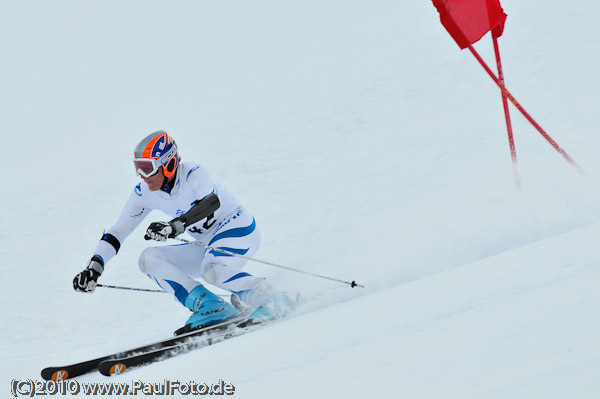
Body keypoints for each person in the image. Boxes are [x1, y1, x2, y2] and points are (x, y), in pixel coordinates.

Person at [73, 130, 283, 332]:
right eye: (138, 168)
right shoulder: (144, 192)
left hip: (238, 229)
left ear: (169, 163)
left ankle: (269, 297)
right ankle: (210, 306)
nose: (142, 175)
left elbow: (211, 203)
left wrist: (174, 226)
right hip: (206, 243)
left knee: (212, 268)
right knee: (149, 259)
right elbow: (118, 231)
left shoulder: (194, 173)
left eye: (147, 168)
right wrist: (94, 268)